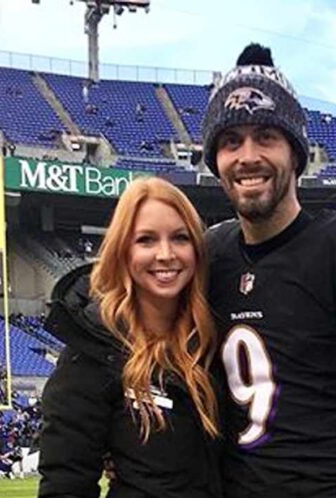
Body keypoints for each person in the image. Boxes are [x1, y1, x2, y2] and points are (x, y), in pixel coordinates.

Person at [202, 43, 336, 497]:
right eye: (231, 141)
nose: (247, 156)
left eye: (266, 137)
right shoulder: (212, 255)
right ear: (216, 162)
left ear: (296, 154)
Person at [38, 177, 222, 498]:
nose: (165, 254)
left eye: (180, 238)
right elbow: (65, 483)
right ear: (122, 250)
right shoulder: (94, 350)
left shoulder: (214, 339)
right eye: (146, 240)